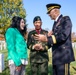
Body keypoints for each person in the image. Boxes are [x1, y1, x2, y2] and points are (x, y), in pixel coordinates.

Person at [35, 3, 75, 75]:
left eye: (49, 12)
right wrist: (43, 46)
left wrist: (47, 39)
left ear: (55, 11)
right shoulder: (55, 23)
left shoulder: (65, 19)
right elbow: (54, 40)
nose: (48, 15)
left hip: (63, 57)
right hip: (56, 58)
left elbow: (63, 36)